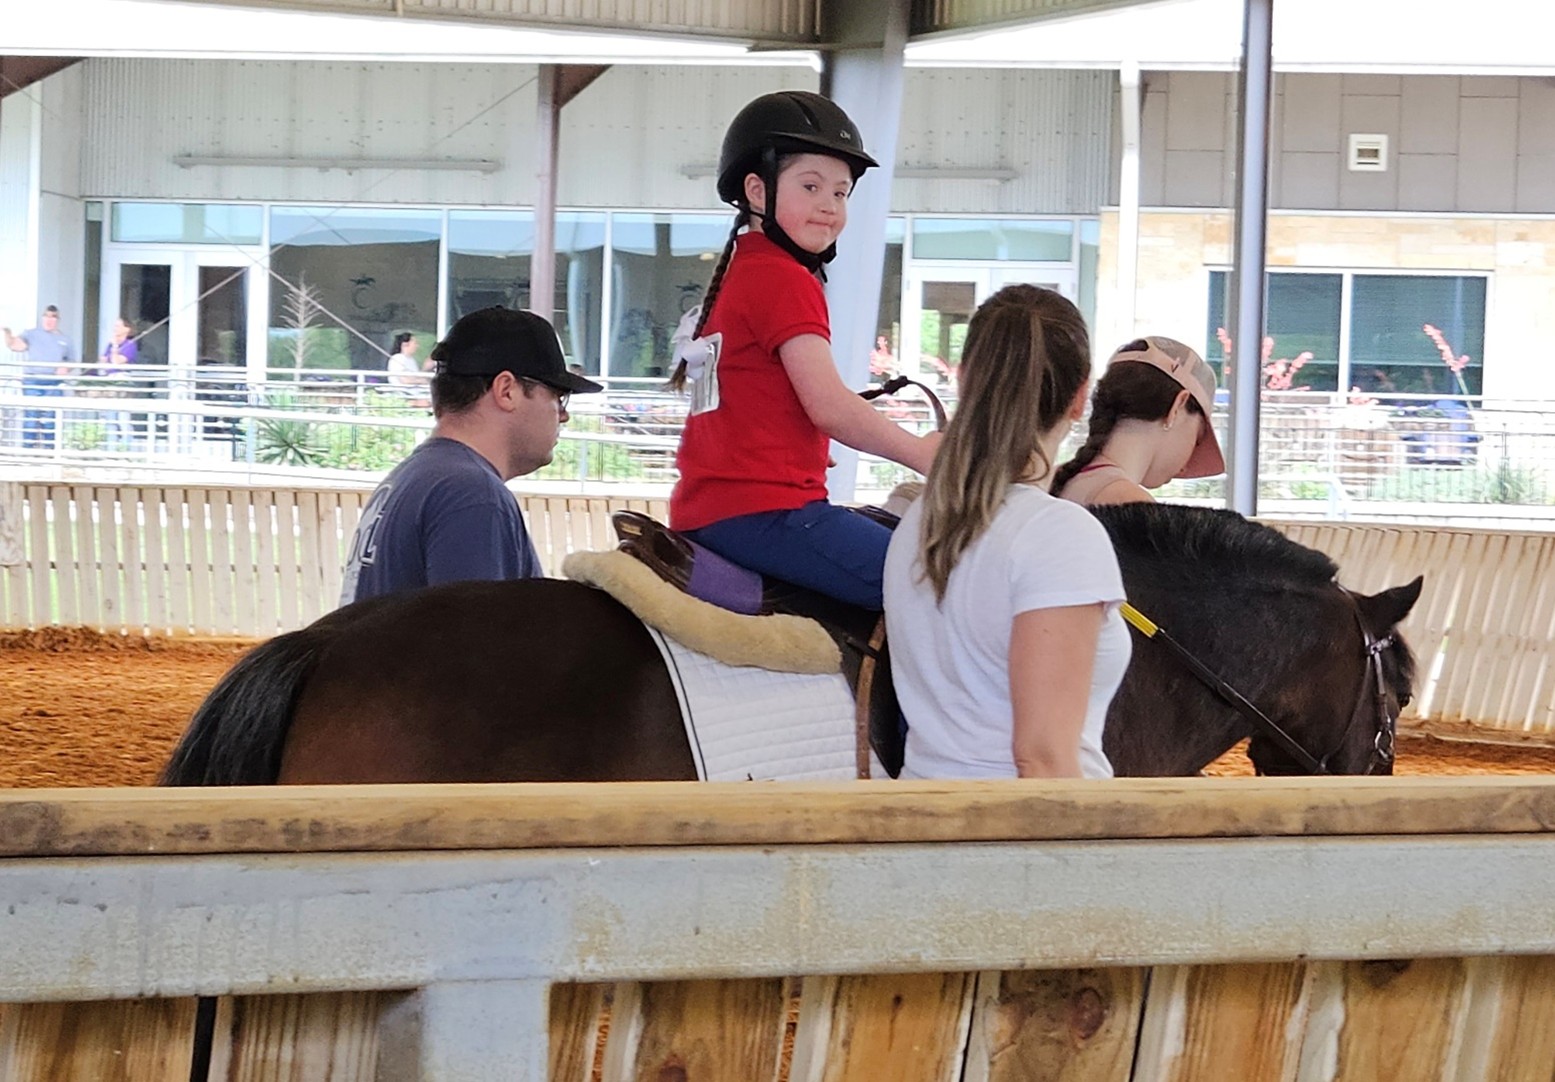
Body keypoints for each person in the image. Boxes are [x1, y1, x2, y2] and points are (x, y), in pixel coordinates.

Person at [668, 90, 939, 610]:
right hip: (769, 513)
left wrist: (798, 449)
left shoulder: (739, 274)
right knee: (940, 585)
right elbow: (830, 406)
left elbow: (755, 405)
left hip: (715, 510)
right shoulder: (784, 279)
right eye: (811, 186)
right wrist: (924, 454)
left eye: (840, 194)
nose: (828, 206)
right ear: (757, 190)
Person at [883, 285, 1129, 780]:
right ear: (1080, 397)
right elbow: (1042, 758)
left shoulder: (919, 519)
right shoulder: (1061, 536)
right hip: (1019, 841)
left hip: (924, 820)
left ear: (964, 379)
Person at [338, 306, 602, 606]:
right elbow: (475, 647)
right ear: (507, 390)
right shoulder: (471, 494)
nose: (563, 415)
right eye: (558, 396)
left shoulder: (419, 475)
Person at [1050, 336, 1225, 507]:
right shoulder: (1131, 504)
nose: (1185, 468)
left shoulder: (1047, 481)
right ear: (1177, 408)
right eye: (1198, 438)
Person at [3, 305, 76, 449]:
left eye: (53, 316)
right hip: (32, 381)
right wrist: (7, 333)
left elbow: (72, 360)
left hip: (53, 383)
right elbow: (15, 345)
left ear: (57, 319)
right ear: (42, 318)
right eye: (46, 316)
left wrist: (66, 368)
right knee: (31, 418)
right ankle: (28, 452)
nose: (49, 319)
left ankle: (50, 453)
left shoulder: (66, 340)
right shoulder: (31, 334)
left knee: (50, 420)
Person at [98, 317, 138, 450]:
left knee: (123, 418)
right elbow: (104, 361)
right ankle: (110, 449)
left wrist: (114, 346)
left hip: (122, 381)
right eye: (115, 326)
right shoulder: (110, 344)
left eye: (118, 326)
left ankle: (127, 449)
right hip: (110, 379)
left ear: (127, 329)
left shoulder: (130, 345)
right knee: (109, 417)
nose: (115, 329)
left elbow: (116, 361)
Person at [386, 331, 428, 407]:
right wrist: (421, 381)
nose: (417, 346)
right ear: (405, 344)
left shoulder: (412, 360)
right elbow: (404, 380)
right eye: (415, 343)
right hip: (403, 395)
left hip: (415, 393)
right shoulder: (397, 358)